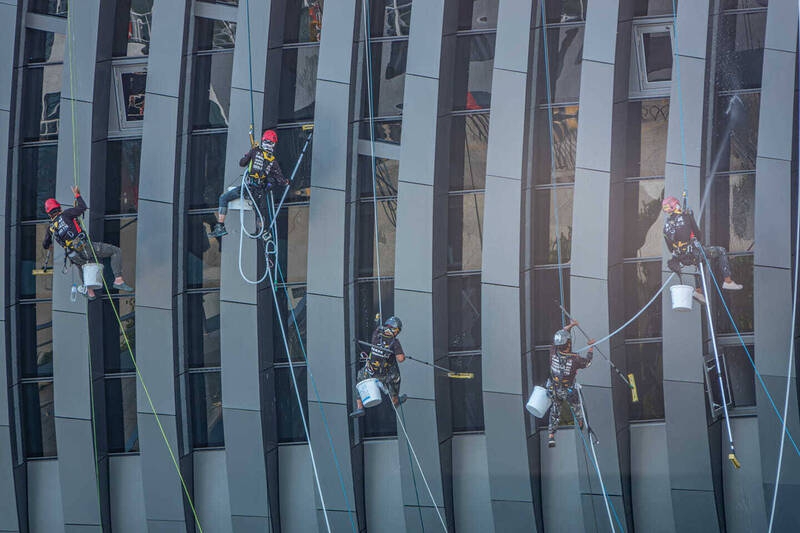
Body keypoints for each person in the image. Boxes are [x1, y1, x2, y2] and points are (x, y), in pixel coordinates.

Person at [43, 186, 134, 301]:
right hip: (84, 247)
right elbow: (82, 207)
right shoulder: (66, 214)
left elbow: (45, 244)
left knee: (83, 267)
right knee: (115, 251)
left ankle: (90, 292)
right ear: (59, 208)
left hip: (73, 255)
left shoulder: (51, 228)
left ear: (49, 213)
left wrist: (49, 246)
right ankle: (118, 280)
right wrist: (77, 195)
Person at [208, 129, 288, 238]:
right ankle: (262, 231)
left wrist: (248, 155)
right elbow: (281, 180)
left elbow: (242, 163)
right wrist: (287, 182)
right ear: (273, 144)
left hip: (248, 187)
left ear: (263, 140)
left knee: (224, 198)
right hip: (258, 190)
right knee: (258, 210)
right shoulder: (273, 161)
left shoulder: (255, 151)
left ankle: (220, 226)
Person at [662, 195, 742, 304]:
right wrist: (691, 217)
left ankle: (699, 291)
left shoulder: (666, 225)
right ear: (676, 205)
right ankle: (727, 281)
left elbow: (670, 248)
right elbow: (699, 236)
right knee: (721, 251)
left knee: (700, 263)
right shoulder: (686, 217)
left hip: (682, 258)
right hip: (693, 253)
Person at [547, 320, 593, 448]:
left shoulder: (553, 352)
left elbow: (559, 337)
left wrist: (571, 326)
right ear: (568, 344)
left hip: (555, 388)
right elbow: (588, 362)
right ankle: (579, 421)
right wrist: (591, 347)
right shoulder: (575, 359)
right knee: (577, 406)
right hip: (568, 390)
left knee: (555, 411)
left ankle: (551, 435)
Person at [350, 316, 407, 418]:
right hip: (384, 374)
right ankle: (395, 401)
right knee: (396, 377)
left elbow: (378, 327)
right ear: (395, 330)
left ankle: (360, 407)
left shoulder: (376, 335)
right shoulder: (395, 342)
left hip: (370, 372)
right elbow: (401, 359)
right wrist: (401, 354)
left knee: (360, 379)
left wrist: (377, 320)